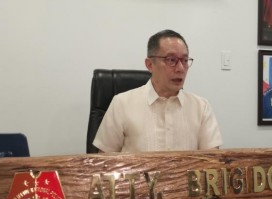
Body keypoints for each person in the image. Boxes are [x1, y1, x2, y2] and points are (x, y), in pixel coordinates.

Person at [93, 29, 223, 153]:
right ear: (150, 64)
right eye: (171, 60)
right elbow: (105, 163)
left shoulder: (201, 107)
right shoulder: (121, 104)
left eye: (184, 60)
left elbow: (212, 164)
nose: (180, 68)